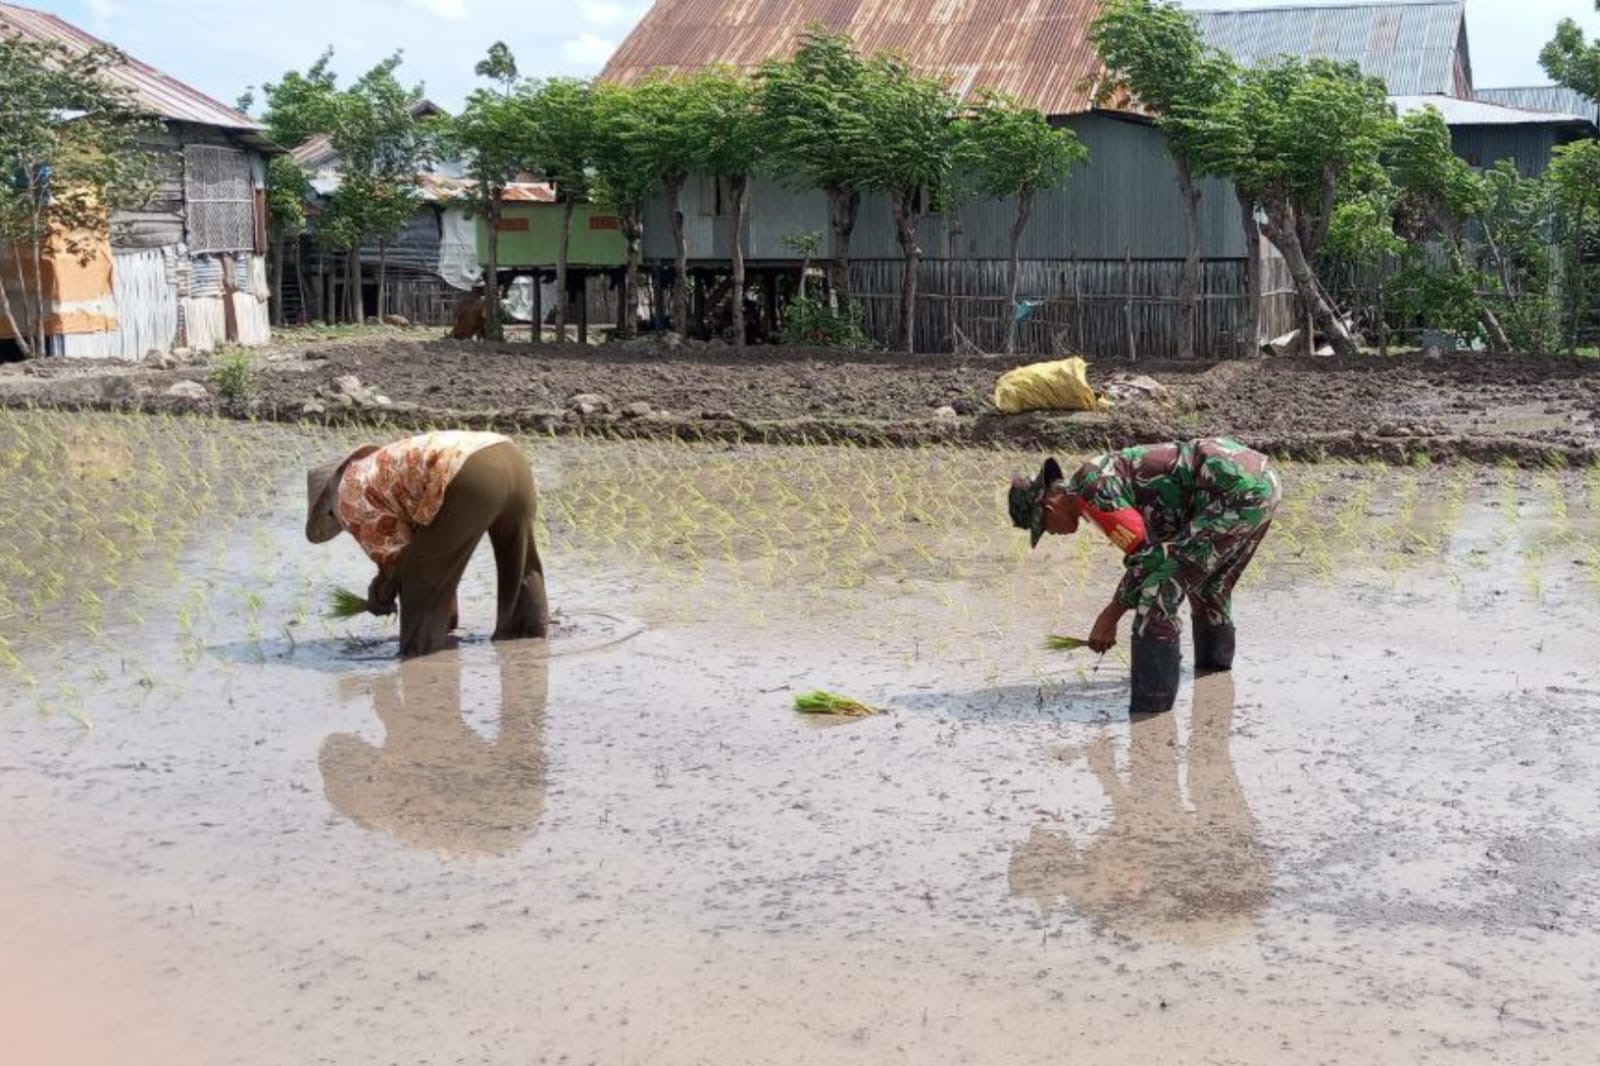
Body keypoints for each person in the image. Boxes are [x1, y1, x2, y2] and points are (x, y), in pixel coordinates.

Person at [1008, 437, 1280, 715]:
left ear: (1048, 508)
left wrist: (1109, 616)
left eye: (1045, 528)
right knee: (1209, 586)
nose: (1052, 533)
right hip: (1262, 482)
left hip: (1236, 493)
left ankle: (1151, 710)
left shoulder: (1093, 492)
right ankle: (1213, 679)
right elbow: (1148, 551)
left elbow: (1149, 560)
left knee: (1159, 591)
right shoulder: (1092, 479)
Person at [305, 430, 549, 658]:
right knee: (520, 562)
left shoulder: (349, 492)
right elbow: (435, 552)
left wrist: (381, 593)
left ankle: (424, 658)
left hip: (469, 473)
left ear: (327, 507)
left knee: (417, 578)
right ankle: (527, 649)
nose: (343, 524)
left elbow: (399, 560)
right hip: (511, 457)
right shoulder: (378, 467)